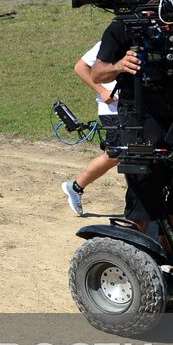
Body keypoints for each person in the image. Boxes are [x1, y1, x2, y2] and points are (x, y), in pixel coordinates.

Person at [90, 0, 173, 238]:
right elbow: (97, 73)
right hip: (138, 116)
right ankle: (134, 251)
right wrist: (120, 65)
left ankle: (168, 246)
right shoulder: (123, 26)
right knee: (145, 181)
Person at [60, 40, 122, 216]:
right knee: (115, 155)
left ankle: (75, 187)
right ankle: (75, 187)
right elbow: (81, 67)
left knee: (137, 156)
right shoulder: (110, 41)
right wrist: (102, 91)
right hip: (113, 110)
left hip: (141, 109)